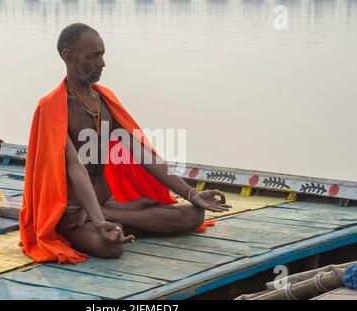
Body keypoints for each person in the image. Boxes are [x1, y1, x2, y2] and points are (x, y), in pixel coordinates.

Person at [19, 23, 231, 264]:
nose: (102, 63)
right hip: (74, 213)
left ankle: (114, 220)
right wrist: (96, 221)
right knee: (110, 248)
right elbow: (76, 168)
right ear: (68, 56)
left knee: (193, 215)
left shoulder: (104, 100)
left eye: (102, 55)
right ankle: (112, 225)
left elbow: (141, 153)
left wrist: (190, 192)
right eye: (93, 56)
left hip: (107, 204)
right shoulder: (53, 107)